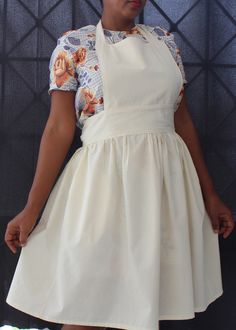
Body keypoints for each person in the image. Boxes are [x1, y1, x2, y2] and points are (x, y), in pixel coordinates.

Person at [4, 1, 235, 330]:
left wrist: (209, 194)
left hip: (165, 188)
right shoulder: (74, 45)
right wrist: (31, 209)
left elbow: (181, 120)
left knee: (143, 302)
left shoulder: (165, 41)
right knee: (87, 306)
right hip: (102, 188)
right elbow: (58, 129)